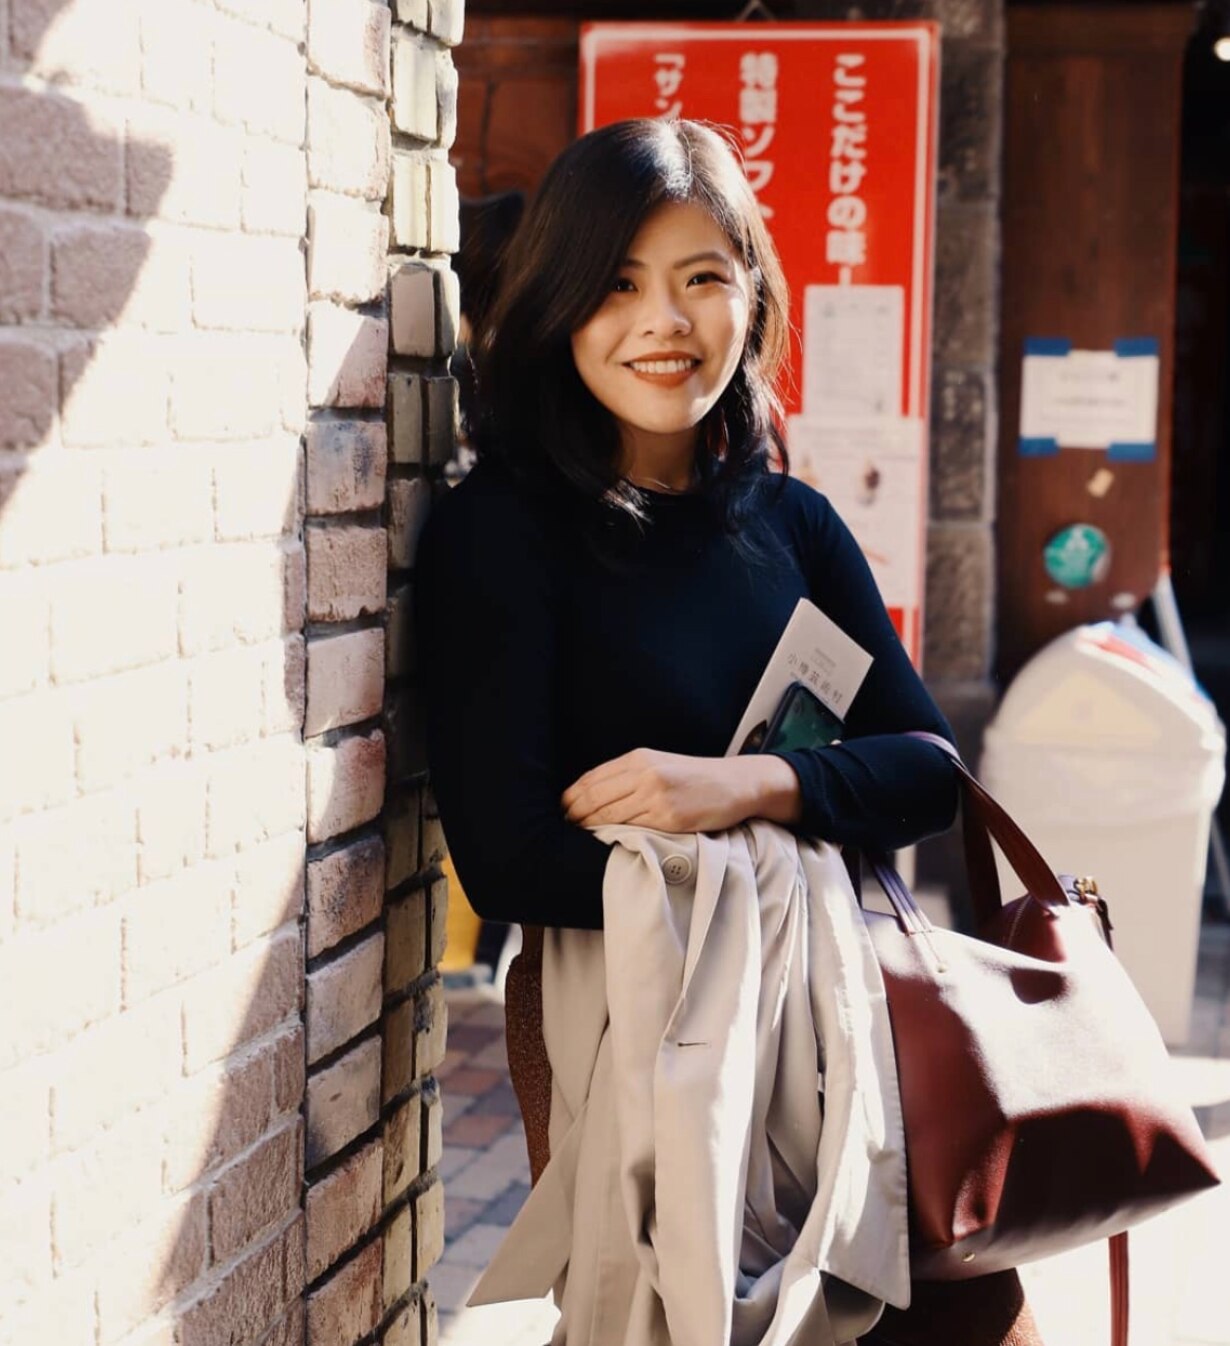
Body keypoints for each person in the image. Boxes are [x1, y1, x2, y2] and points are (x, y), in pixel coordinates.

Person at [416, 118, 1043, 1346]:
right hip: (635, 1021)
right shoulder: (502, 535)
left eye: (704, 277)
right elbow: (508, 861)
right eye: (618, 283)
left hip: (849, 1019)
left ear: (751, 301)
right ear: (557, 304)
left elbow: (926, 768)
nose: (665, 321)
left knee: (958, 1312)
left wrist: (740, 788)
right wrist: (794, 835)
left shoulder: (790, 523)